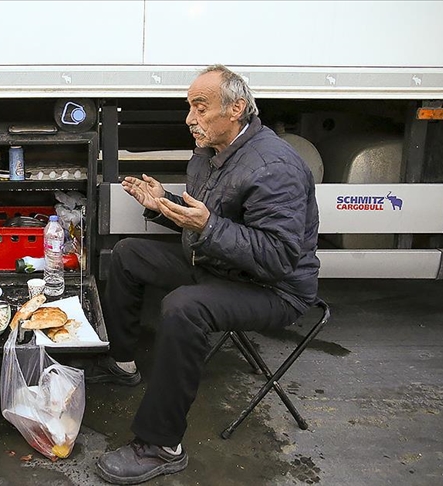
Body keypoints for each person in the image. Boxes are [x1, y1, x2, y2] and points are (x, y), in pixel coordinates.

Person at [89, 65, 320, 484]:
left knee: (184, 308)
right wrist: (164, 202)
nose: (190, 119)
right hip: (217, 264)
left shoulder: (274, 166)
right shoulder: (211, 151)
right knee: (126, 254)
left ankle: (161, 446)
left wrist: (207, 227)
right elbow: (209, 217)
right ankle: (121, 362)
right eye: (189, 107)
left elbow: (280, 256)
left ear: (236, 108)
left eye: (200, 107)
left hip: (272, 288)